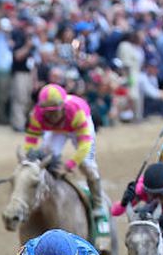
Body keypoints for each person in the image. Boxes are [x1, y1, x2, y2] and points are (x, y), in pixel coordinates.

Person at [23, 83, 110, 239]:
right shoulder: (36, 114)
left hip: (78, 127)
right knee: (45, 157)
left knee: (88, 165)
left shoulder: (76, 112)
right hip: (57, 131)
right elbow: (31, 138)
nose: (51, 116)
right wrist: (30, 154)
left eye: (54, 112)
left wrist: (69, 165)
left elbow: (84, 145)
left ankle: (98, 204)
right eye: (47, 113)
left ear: (63, 106)